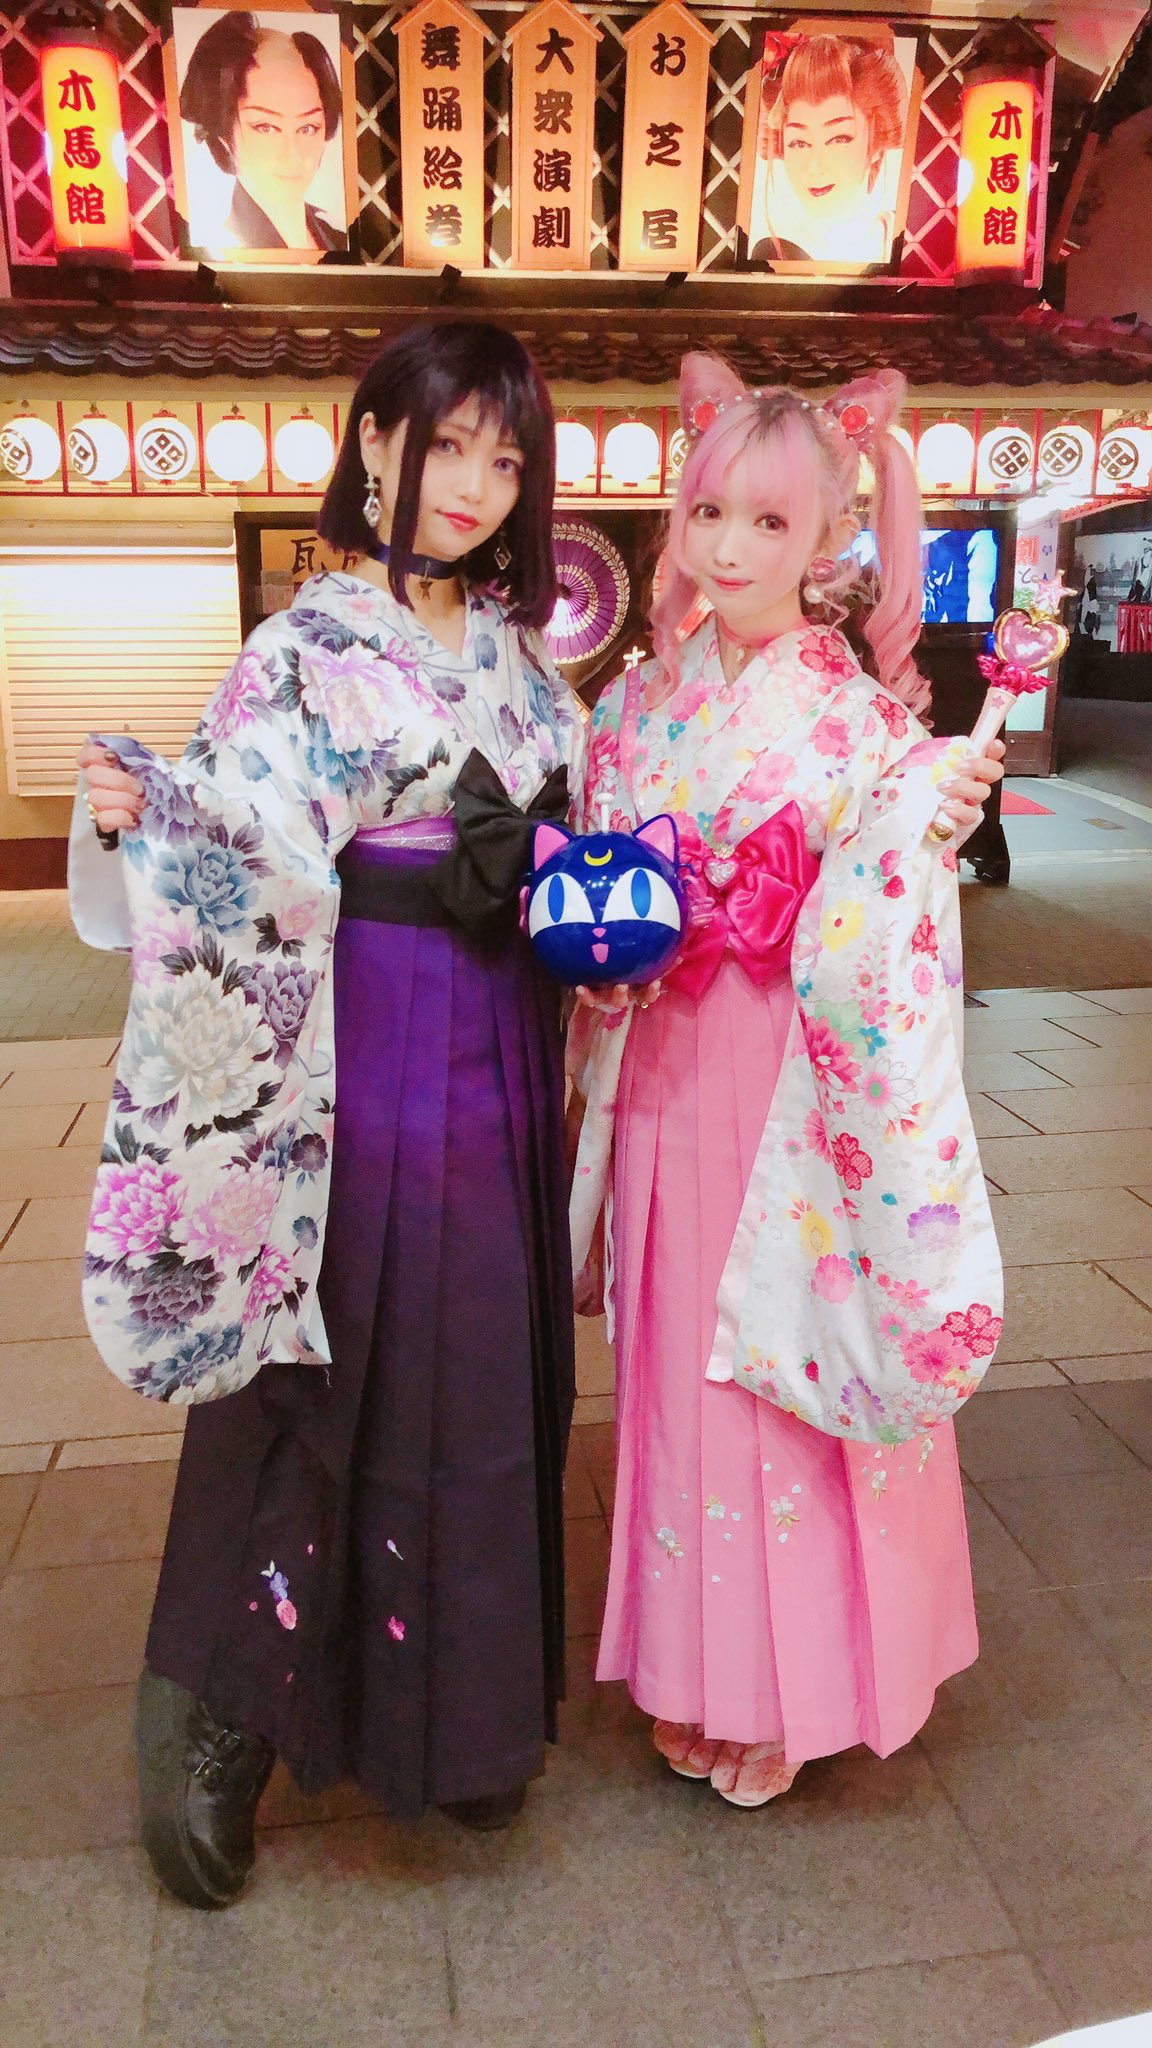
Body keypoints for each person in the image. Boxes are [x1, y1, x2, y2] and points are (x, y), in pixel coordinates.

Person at [74, 320, 583, 1905]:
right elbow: (245, 835)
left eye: (505, 458)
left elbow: (576, 822)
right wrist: (154, 812)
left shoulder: (524, 660)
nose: (473, 486)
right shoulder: (301, 649)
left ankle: (468, 1714)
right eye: (446, 444)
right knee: (318, 1348)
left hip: (502, 1034)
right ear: (373, 442)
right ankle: (213, 1717)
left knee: (484, 1367)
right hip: (353, 1036)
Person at [568, 354, 1005, 1809]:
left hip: (795, 1086)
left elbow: (886, 919)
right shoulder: (631, 709)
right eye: (709, 514)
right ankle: (697, 1671)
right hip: (662, 1058)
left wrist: (924, 815)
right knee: (677, 1372)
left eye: (770, 522)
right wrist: (605, 958)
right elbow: (597, 892)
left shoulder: (860, 721)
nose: (731, 548)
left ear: (826, 540)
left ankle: (801, 1688)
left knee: (780, 1369)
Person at [180, 10, 346, 253]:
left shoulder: (337, 241)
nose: (292, 155)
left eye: (308, 128)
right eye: (266, 127)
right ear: (224, 135)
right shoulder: (225, 245)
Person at [749, 33, 908, 267]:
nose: (815, 167)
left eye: (838, 139)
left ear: (877, 140)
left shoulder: (905, 238)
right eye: (799, 143)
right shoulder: (777, 254)